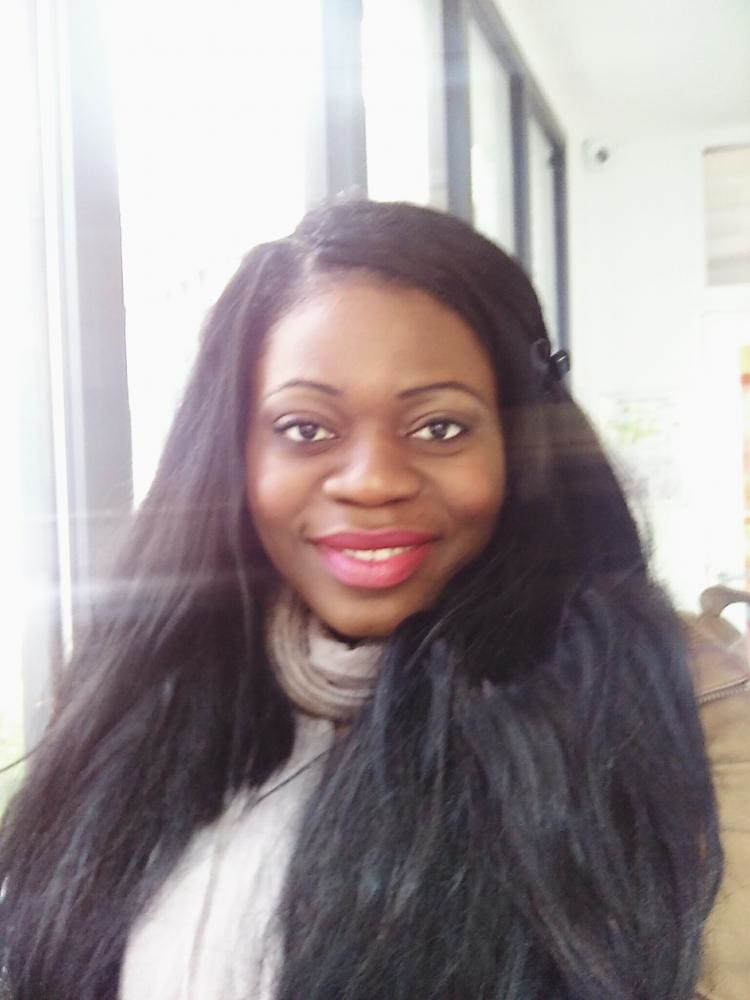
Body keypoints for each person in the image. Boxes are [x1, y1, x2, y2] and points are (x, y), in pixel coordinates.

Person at [0, 200, 745, 999]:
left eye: (440, 428)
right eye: (306, 428)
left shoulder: (674, 704)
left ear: (519, 442)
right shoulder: (140, 693)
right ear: (233, 450)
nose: (373, 481)